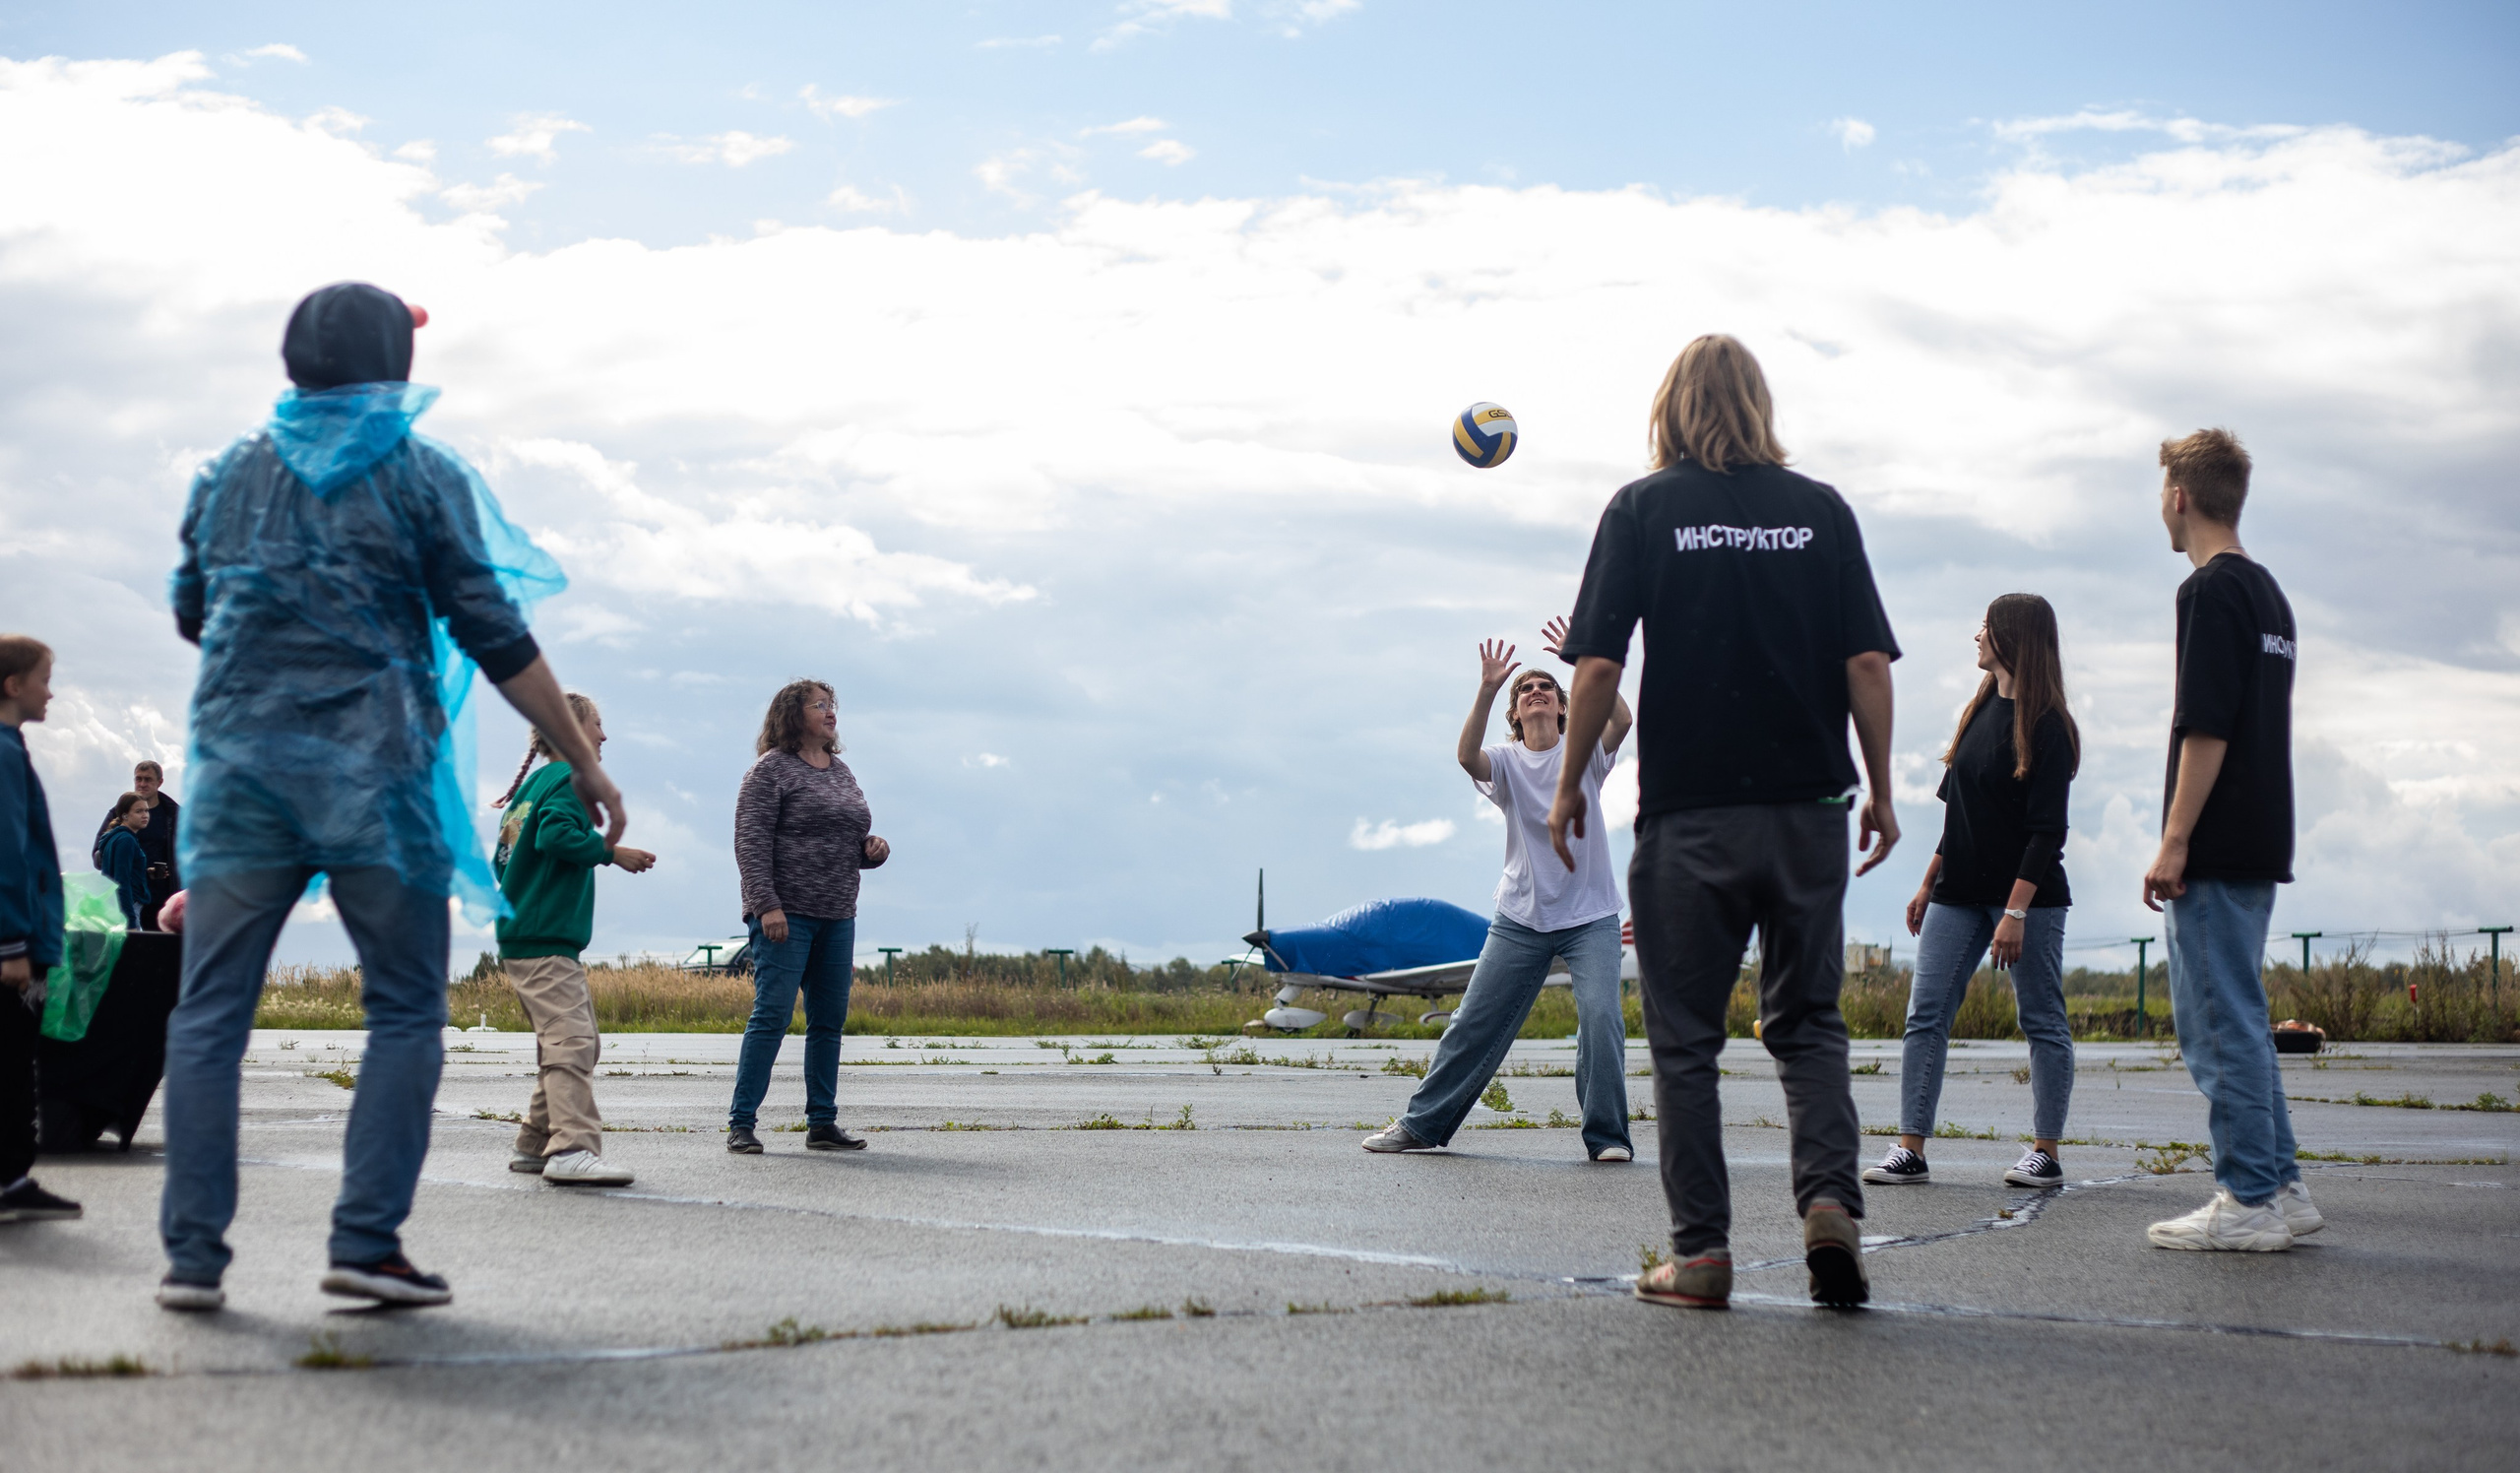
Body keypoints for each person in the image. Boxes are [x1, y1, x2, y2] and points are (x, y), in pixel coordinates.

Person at [157, 282, 625, 1313]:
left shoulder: (228, 472)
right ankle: (366, 1241)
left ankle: (192, 1256)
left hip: (240, 774)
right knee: (405, 1006)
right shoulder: (420, 472)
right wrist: (582, 762)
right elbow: (492, 629)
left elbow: (195, 609)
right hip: (379, 775)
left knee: (209, 1014)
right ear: (394, 364)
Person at [1549, 334, 1900, 1311]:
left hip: (1690, 818)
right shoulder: (1819, 510)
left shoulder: (1642, 507)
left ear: (1668, 407)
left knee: (1687, 1040)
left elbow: (1598, 668)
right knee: (1808, 1021)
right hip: (1805, 813)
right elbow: (1866, 664)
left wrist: (1570, 780)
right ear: (1759, 403)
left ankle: (1700, 1254)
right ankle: (1829, 1198)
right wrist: (1879, 785)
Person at [1363, 622, 1635, 1162]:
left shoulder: (1586, 753)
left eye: (1546, 689)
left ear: (1563, 708)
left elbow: (1621, 717)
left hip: (1591, 915)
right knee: (1472, 1024)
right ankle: (1422, 1125)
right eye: (1525, 690)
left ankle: (1606, 1136)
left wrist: (1582, 661)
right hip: (1521, 917)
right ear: (1515, 714)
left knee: (1602, 1017)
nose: (1536, 692)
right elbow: (1467, 757)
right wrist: (1488, 688)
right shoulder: (1507, 764)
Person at [2141, 428, 2315, 1252]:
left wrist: (2175, 839)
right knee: (2244, 1016)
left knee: (2217, 1024)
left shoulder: (2208, 593)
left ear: (2180, 496)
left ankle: (2246, 1203)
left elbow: (2204, 724)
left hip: (2217, 840)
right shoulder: (2270, 594)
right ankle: (2281, 1186)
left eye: (2162, 493)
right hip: (2262, 829)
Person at [1868, 595, 2080, 1190]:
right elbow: (1958, 812)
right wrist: (1928, 881)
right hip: (1956, 893)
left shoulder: (2048, 726)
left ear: (2013, 637)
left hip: (2027, 897)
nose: (1977, 636)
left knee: (2040, 1018)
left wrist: (2014, 911)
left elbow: (2046, 833)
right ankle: (1910, 1147)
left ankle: (2046, 1151)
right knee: (1925, 1015)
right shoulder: (1979, 710)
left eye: (1986, 627)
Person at [489, 691, 655, 1186]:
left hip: (529, 935)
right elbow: (555, 837)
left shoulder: (533, 786)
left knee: (569, 1042)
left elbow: (503, 860)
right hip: (544, 938)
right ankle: (572, 1150)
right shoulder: (567, 779)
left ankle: (534, 1145)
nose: (603, 735)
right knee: (572, 1042)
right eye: (596, 724)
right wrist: (611, 850)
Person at [726, 679, 888, 1154]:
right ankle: (741, 1122)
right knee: (772, 1016)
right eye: (819, 705)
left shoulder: (841, 771)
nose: (830, 712)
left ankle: (822, 1122)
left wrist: (871, 851)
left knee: (828, 1021)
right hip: (785, 914)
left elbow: (845, 839)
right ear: (793, 715)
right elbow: (750, 844)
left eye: (832, 704)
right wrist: (766, 905)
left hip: (838, 913)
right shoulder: (769, 772)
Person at [0, 635, 82, 1225]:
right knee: (10, 1061)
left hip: (22, 940)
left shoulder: (13, 749)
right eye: (44, 678)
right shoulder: (4, 753)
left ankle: (11, 1174)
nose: (50, 691)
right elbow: (7, 853)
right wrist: (12, 943)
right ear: (13, 685)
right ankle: (10, 1176)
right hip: (15, 947)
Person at [94, 762, 180, 929]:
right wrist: (116, 856)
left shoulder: (174, 814)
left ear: (160, 782)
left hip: (162, 899)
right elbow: (98, 856)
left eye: (148, 779)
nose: (142, 784)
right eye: (138, 779)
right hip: (129, 900)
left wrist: (147, 870)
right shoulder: (119, 817)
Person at [98, 794, 155, 930]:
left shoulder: (117, 837)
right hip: (127, 908)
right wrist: (130, 922)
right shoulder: (126, 840)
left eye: (146, 810)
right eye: (138, 811)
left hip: (115, 907)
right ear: (124, 815)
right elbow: (121, 880)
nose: (145, 815)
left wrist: (145, 873)